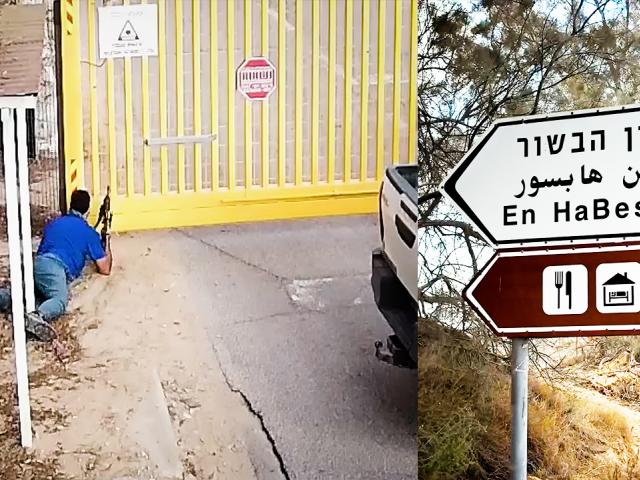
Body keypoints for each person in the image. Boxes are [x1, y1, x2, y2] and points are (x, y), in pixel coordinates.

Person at [0, 189, 112, 341]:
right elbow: (105, 268)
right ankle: (37, 316)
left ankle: (4, 297)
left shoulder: (55, 223)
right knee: (59, 300)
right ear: (87, 209)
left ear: (70, 205)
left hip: (38, 264)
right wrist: (107, 242)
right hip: (56, 267)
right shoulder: (88, 232)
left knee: (24, 294)